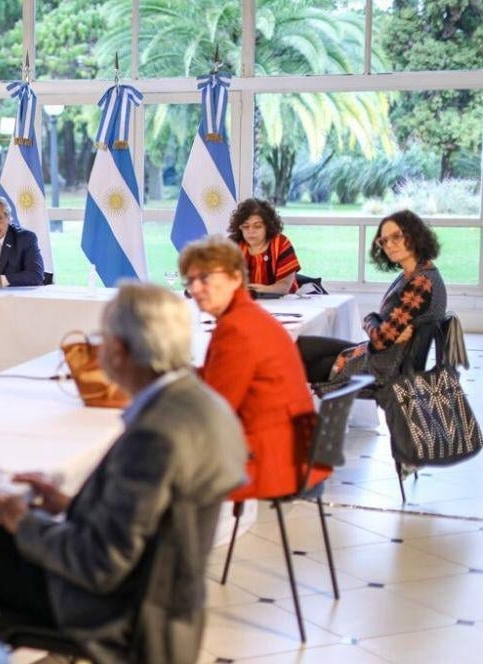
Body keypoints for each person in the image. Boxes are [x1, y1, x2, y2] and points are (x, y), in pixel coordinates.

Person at [0, 283, 246, 664]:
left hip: (115, 612)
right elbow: (150, 521)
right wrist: (67, 503)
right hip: (168, 604)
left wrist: (25, 523)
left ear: (118, 350)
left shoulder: (155, 435)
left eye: (101, 338)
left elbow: (101, 563)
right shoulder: (204, 404)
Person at [180, 235, 322, 502]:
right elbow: (218, 377)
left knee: (160, 464)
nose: (196, 288)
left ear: (235, 278)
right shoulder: (249, 315)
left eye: (206, 278)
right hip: (296, 451)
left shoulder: (236, 329)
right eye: (190, 281)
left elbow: (218, 408)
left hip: (274, 461)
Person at [297, 209, 447, 389]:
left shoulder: (421, 284)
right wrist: (381, 327)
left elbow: (381, 340)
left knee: (292, 363)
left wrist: (369, 319)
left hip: (382, 369)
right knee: (297, 346)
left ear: (415, 235)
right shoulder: (415, 272)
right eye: (384, 240)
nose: (389, 245)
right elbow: (383, 337)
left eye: (396, 237)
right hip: (378, 356)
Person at [226, 198, 300, 295]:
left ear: (268, 226)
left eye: (257, 226)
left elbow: (284, 286)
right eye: (245, 226)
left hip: (284, 301)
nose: (251, 231)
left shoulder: (281, 243)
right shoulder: (232, 245)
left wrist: (258, 290)